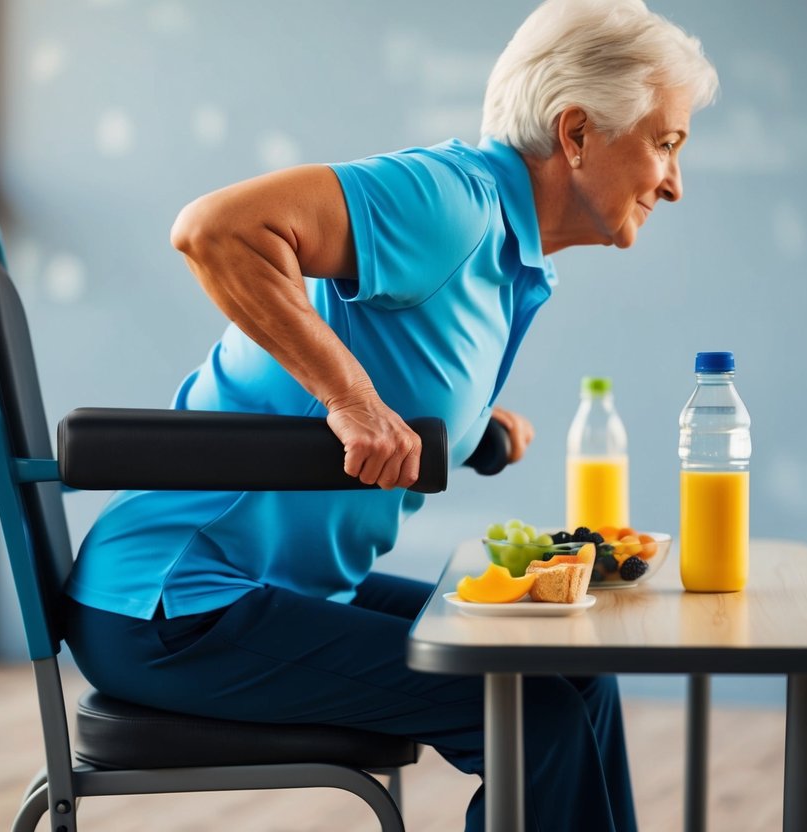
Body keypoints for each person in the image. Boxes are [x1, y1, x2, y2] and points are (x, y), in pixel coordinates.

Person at [63, 0, 717, 829]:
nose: (673, 181)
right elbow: (216, 230)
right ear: (577, 132)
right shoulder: (449, 202)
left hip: (277, 589)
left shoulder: (501, 253)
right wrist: (351, 400)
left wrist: (476, 427)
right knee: (533, 718)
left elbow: (394, 362)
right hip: (176, 604)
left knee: (571, 670)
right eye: (665, 143)